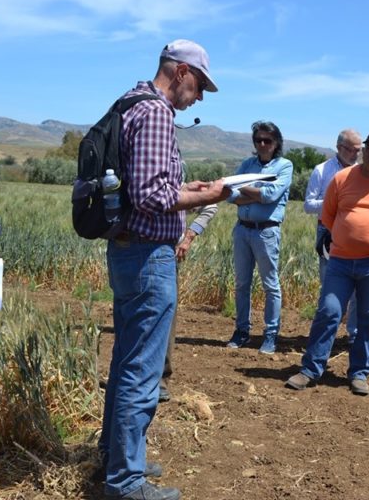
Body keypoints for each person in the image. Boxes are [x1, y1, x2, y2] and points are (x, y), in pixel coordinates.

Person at [99, 39, 229, 500]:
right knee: (141, 369)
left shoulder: (129, 103)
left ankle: (114, 461)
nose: (198, 97)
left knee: (124, 362)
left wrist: (187, 187)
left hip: (127, 250)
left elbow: (146, 186)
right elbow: (154, 199)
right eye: (198, 86)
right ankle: (126, 483)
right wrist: (212, 196)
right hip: (149, 255)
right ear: (179, 72)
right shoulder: (155, 112)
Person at [285, 131, 369, 396]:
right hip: (341, 261)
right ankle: (311, 369)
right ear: (363, 151)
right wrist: (349, 239)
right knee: (328, 312)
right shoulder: (342, 179)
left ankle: (359, 372)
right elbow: (329, 216)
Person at [226, 121, 293, 354]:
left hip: (266, 231)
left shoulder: (284, 166)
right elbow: (229, 194)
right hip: (242, 229)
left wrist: (247, 189)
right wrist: (257, 194)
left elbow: (271, 194)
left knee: (270, 285)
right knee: (242, 283)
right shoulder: (247, 164)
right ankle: (241, 331)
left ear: (276, 143)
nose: (262, 144)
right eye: (258, 140)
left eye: (267, 140)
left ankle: (271, 334)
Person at [159, 162, 219, 403]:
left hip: (166, 253)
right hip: (135, 250)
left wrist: (189, 236)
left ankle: (160, 378)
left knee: (166, 316)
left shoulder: (175, 170)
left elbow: (210, 205)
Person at [303, 129, 362, 344]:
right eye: (352, 150)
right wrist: (335, 202)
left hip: (356, 234)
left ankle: (353, 335)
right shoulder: (322, 170)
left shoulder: (364, 173)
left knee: (357, 288)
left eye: (359, 150)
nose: (356, 155)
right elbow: (308, 205)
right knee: (330, 285)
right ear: (339, 148)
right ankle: (325, 335)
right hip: (328, 231)